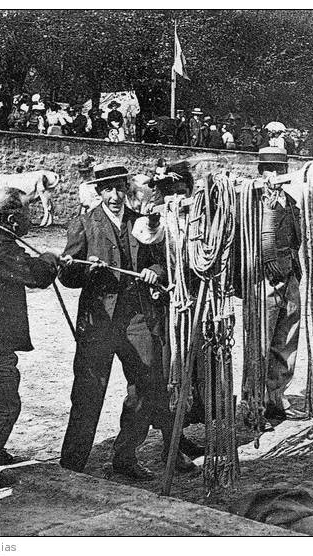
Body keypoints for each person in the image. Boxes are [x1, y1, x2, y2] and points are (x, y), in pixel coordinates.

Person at [59, 164, 181, 480]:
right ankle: (72, 464)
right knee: (88, 391)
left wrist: (157, 272)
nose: (114, 196)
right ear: (99, 192)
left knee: (146, 384)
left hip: (137, 318)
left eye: (119, 189)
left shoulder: (141, 222)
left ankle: (125, 457)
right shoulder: (84, 224)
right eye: (108, 190)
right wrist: (87, 270)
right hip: (98, 321)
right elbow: (66, 274)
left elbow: (162, 260)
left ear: (126, 189)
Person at [0, 189, 61, 488]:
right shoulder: (1, 247)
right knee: (3, 406)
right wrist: (51, 258)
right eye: (28, 212)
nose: (32, 217)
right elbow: (36, 275)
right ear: (13, 219)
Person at [244, 147, 305, 422]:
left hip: (289, 276)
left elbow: (297, 240)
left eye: (279, 170)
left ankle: (276, 398)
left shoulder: (291, 203)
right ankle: (252, 406)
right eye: (269, 169)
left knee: (286, 341)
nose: (274, 175)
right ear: (260, 172)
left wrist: (292, 271)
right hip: (262, 281)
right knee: (258, 344)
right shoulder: (250, 203)